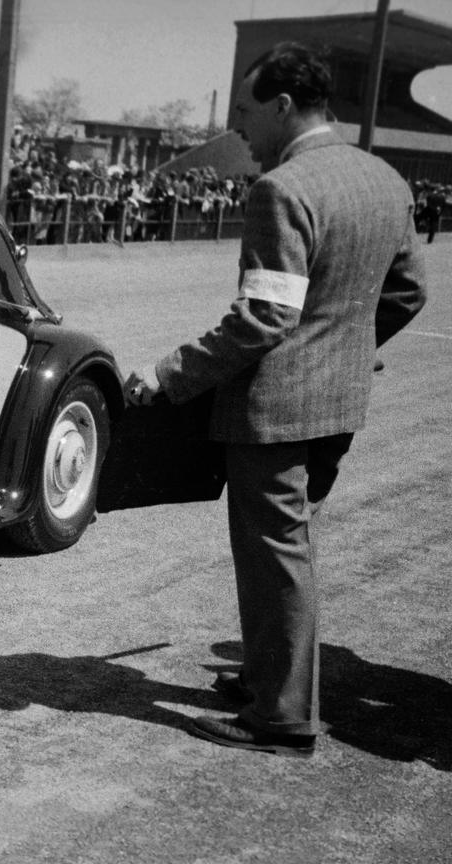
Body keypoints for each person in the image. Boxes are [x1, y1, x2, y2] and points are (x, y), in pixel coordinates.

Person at [125, 43, 426, 757]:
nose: (241, 132)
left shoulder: (282, 190)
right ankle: (268, 680)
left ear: (284, 106)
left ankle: (282, 717)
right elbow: (410, 289)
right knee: (287, 552)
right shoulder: (383, 179)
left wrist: (167, 375)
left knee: (275, 556)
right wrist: (351, 345)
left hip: (276, 412)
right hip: (338, 406)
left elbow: (262, 319)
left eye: (246, 114)